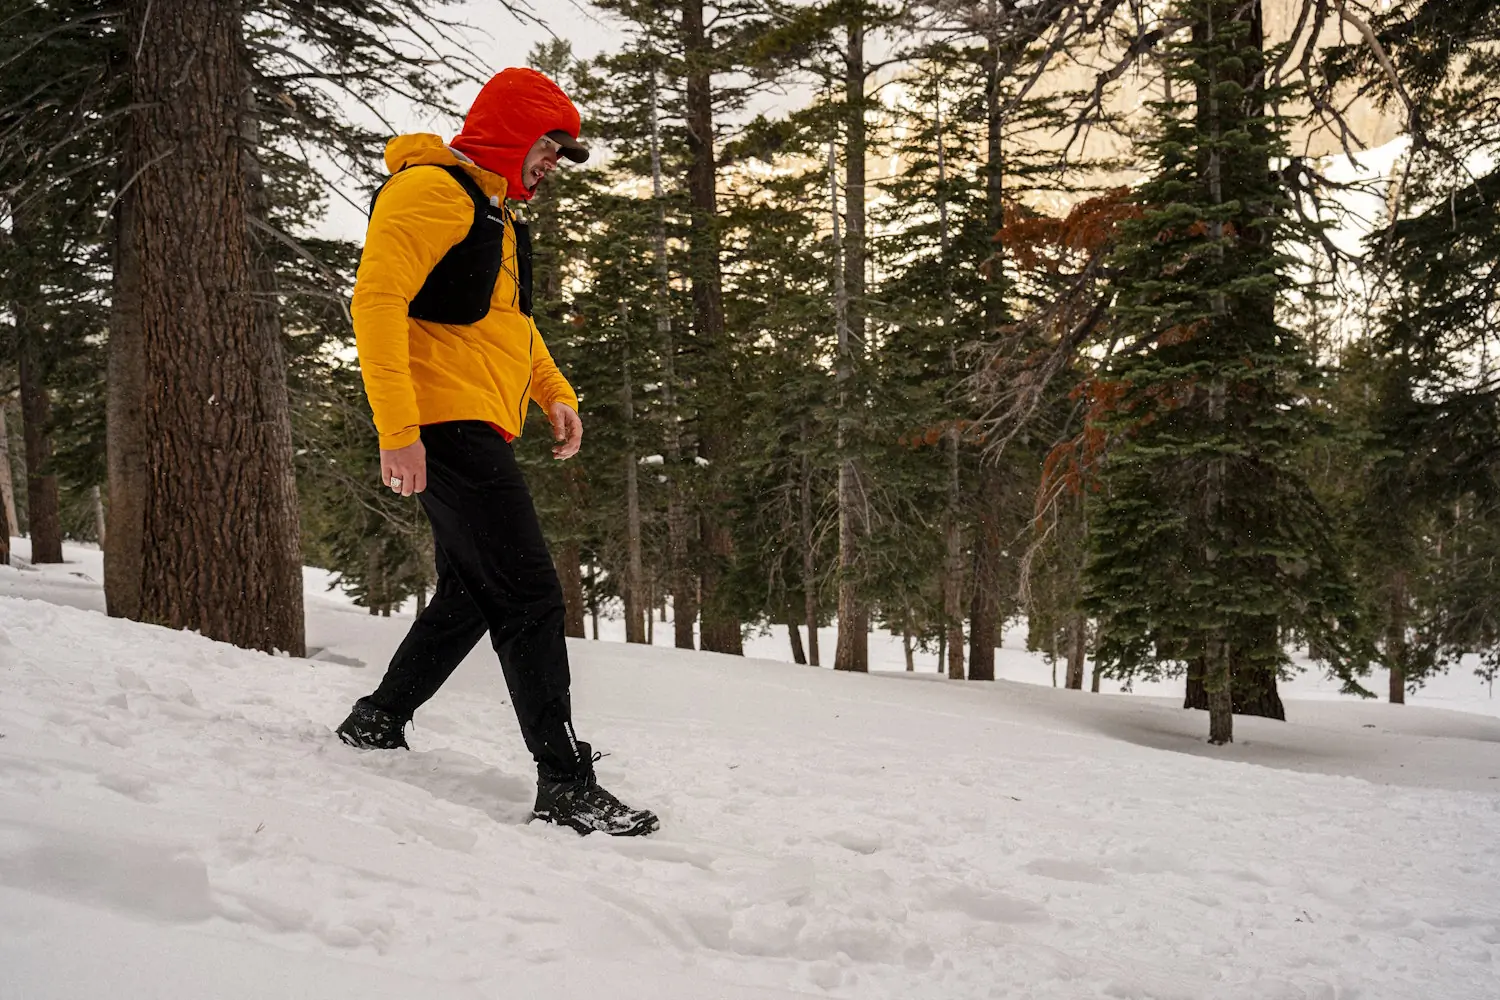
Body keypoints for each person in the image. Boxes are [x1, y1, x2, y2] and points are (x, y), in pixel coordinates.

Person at [334, 68, 658, 838]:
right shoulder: (429, 193)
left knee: (474, 591)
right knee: (530, 594)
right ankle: (564, 784)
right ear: (512, 134)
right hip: (439, 421)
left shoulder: (496, 215)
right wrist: (397, 428)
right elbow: (375, 302)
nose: (553, 164)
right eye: (549, 147)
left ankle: (379, 719)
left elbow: (510, 325)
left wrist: (554, 390)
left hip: (477, 418)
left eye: (561, 154)